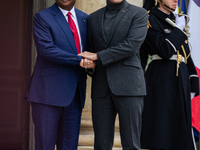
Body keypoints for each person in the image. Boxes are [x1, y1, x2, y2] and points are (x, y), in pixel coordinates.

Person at [78, 0, 148, 149]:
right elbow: (91, 49)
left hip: (129, 86)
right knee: (101, 144)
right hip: (101, 87)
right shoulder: (93, 18)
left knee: (131, 143)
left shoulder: (139, 14)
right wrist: (90, 64)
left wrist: (97, 57)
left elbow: (131, 46)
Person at [24, 0, 89, 149]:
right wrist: (81, 59)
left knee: (69, 146)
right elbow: (46, 49)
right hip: (48, 93)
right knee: (44, 145)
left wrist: (92, 64)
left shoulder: (85, 19)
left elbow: (90, 48)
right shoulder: (42, 17)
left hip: (75, 94)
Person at [140, 0, 199, 150]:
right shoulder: (149, 18)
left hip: (180, 81)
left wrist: (193, 80)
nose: (175, 0)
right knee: (163, 132)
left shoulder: (176, 19)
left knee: (181, 132)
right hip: (161, 79)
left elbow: (186, 53)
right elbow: (164, 50)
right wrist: (178, 30)